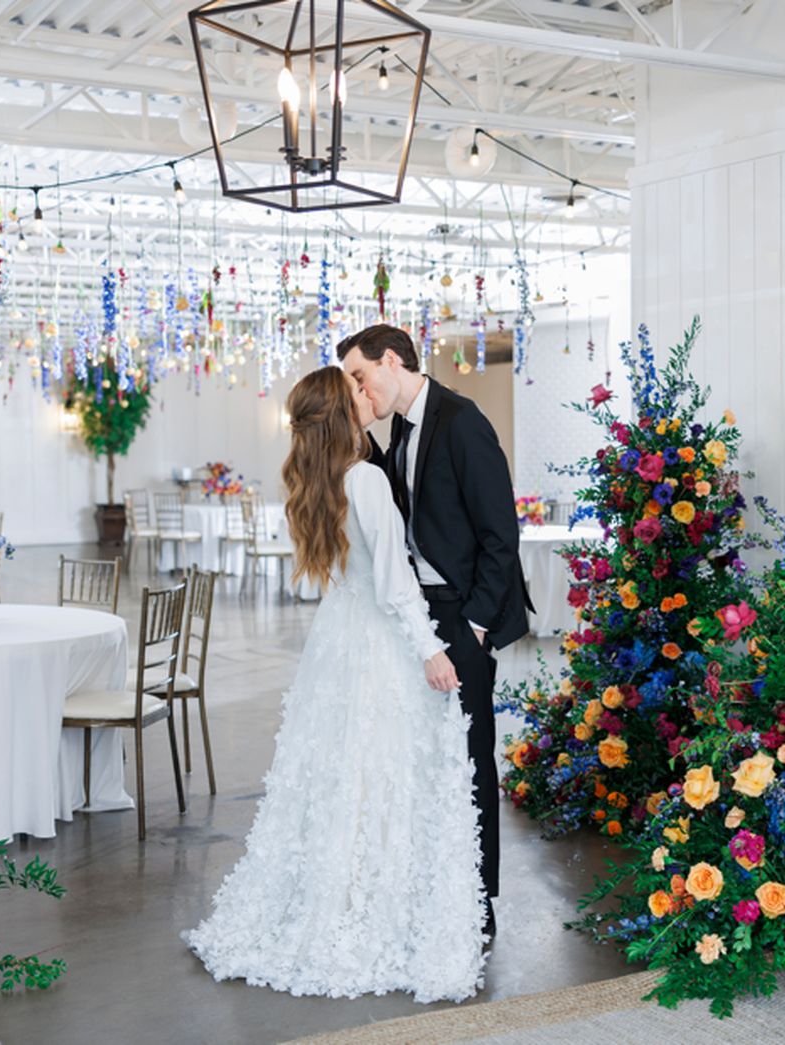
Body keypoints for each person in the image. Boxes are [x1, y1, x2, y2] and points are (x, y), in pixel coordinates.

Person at [184, 366, 487, 1003]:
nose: (365, 395)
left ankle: (339, 894)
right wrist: (431, 649)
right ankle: (371, 908)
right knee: (379, 774)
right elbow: (395, 582)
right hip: (378, 642)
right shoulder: (366, 479)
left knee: (344, 776)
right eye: (355, 392)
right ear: (343, 414)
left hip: (338, 639)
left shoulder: (320, 480)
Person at [338, 324, 529, 935]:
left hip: (462, 616)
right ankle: (438, 887)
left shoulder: (463, 421)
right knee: (430, 757)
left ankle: (479, 901)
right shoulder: (397, 432)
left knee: (470, 759)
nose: (358, 390)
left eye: (360, 376)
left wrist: (475, 625)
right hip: (421, 616)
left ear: (392, 361)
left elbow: (501, 534)